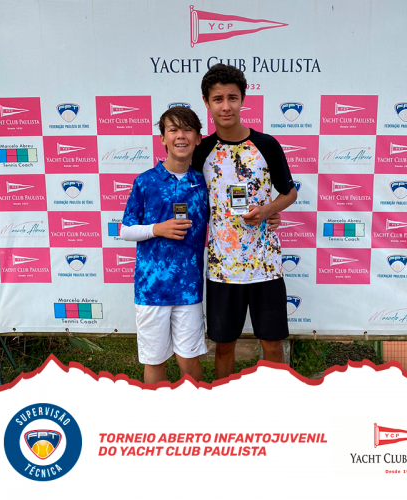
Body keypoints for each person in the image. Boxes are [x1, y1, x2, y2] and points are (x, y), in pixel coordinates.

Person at [192, 63, 297, 379]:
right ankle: (224, 402)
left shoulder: (266, 145)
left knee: (272, 344)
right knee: (224, 346)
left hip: (265, 265)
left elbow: (289, 193)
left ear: (242, 100)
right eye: (218, 99)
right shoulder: (202, 151)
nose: (226, 106)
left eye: (232, 98)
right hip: (223, 269)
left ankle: (278, 401)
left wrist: (267, 210)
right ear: (206, 102)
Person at [121, 107, 208, 384]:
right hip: (151, 290)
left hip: (189, 289)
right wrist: (157, 229)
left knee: (188, 360)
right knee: (155, 360)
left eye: (187, 130)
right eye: (173, 130)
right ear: (163, 138)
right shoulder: (145, 181)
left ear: (198, 138)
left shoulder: (204, 183)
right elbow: (126, 230)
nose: (180, 136)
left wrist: (268, 215)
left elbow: (229, 218)